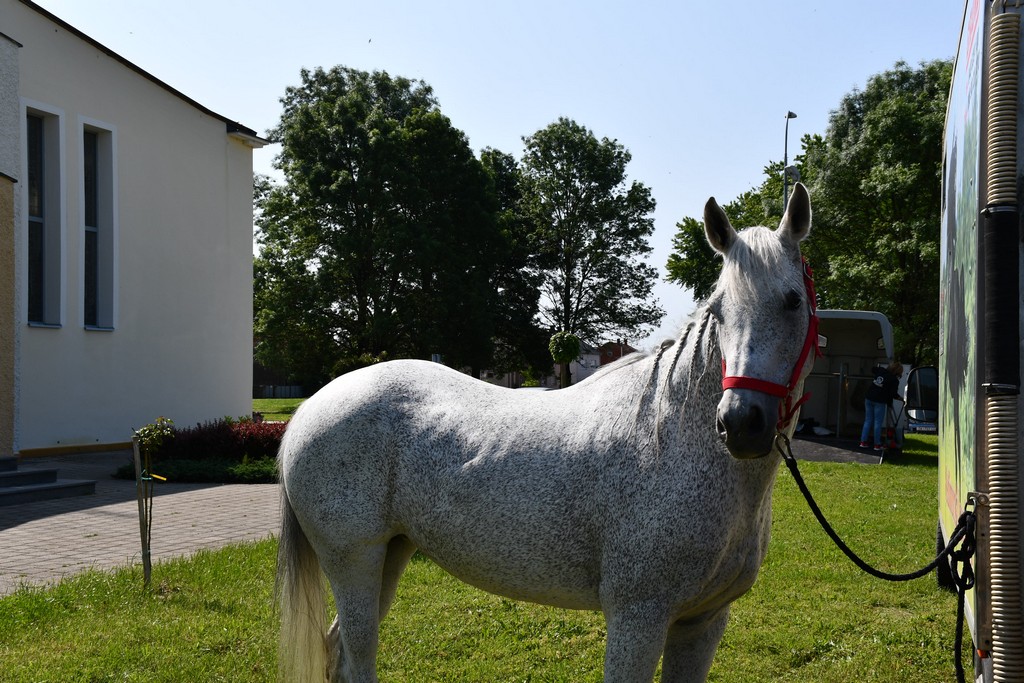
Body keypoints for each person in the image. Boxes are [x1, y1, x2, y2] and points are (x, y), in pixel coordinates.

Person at [860, 361, 903, 450]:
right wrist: (902, 399)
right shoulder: (893, 380)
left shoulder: (881, 371)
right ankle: (877, 444)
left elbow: (873, 369)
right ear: (898, 371)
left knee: (867, 421)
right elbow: (893, 394)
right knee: (877, 423)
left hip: (869, 397)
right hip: (879, 401)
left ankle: (863, 442)